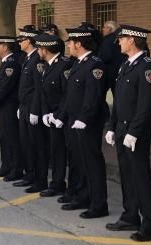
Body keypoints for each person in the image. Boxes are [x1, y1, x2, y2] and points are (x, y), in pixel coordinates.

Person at [104, 25, 151, 241]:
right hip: (121, 129)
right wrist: (111, 126)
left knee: (140, 177)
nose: (118, 42)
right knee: (126, 175)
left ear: (133, 41)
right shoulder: (126, 66)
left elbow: (145, 105)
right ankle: (130, 216)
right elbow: (118, 101)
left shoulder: (147, 68)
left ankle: (150, 225)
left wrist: (134, 131)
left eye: (122, 38)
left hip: (135, 133)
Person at [58, 23, 109, 219]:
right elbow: (71, 96)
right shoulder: (78, 63)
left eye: (71, 42)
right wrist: (62, 116)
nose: (69, 46)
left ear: (79, 43)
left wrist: (84, 118)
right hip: (73, 120)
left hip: (86, 123)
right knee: (78, 161)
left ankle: (98, 204)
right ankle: (81, 196)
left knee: (92, 163)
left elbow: (93, 96)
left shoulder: (95, 65)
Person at [32, 34, 69, 197]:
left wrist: (58, 115)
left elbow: (67, 95)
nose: (38, 51)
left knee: (61, 152)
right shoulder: (48, 65)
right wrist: (46, 113)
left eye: (39, 48)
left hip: (62, 117)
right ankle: (56, 182)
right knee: (55, 151)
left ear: (45, 50)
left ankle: (59, 183)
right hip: (51, 116)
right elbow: (44, 92)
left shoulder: (64, 65)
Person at [0, 35, 21, 180]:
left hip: (10, 105)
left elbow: (7, 86)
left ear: (6, 47)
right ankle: (6, 166)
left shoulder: (12, 63)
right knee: (4, 136)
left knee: (12, 137)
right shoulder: (5, 61)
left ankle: (16, 169)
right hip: (4, 104)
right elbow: (0, 84)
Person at [14, 26, 40, 189]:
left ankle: (36, 177)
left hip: (31, 108)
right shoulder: (27, 59)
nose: (19, 43)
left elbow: (38, 88)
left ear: (29, 41)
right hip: (24, 106)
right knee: (25, 143)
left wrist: (35, 110)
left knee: (33, 144)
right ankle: (29, 174)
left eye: (21, 40)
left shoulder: (36, 59)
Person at [98, 20, 126, 93]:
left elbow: (105, 56)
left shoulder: (107, 40)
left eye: (104, 27)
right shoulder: (120, 38)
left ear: (110, 29)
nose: (102, 29)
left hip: (110, 73)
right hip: (121, 71)